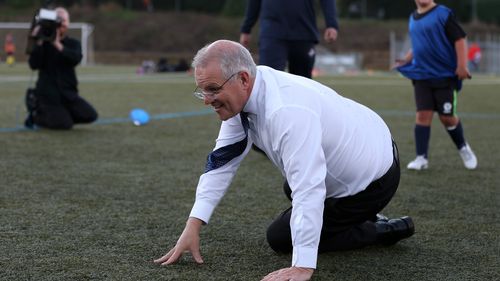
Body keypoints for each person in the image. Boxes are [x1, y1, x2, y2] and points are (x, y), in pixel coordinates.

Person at [154, 40, 415, 281]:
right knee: (290, 188)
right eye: (202, 91)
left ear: (243, 78)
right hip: (369, 143)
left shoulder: (287, 112)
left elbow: (309, 187)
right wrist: (193, 225)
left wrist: (303, 264)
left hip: (375, 179)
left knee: (280, 237)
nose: (207, 100)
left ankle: (384, 229)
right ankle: (357, 217)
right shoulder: (251, 86)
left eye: (212, 89)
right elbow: (222, 161)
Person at [394, 0, 477, 170]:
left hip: (444, 77)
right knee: (422, 116)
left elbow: (460, 39)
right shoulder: (412, 17)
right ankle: (421, 158)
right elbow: (418, 46)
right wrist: (405, 60)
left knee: (447, 118)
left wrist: (462, 65)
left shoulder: (443, 13)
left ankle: (463, 147)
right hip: (422, 76)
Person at [26, 7, 97, 130]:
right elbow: (33, 65)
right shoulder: (43, 43)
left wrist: (57, 44)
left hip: (68, 94)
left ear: (68, 23)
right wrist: (38, 41)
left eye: (64, 20)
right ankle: (36, 116)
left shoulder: (73, 43)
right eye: (58, 20)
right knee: (64, 125)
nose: (61, 24)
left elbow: (75, 59)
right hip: (47, 96)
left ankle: (61, 115)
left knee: (90, 115)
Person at [240, 0, 339, 79]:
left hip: (303, 32)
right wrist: (246, 28)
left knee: (302, 84)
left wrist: (331, 24)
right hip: (272, 33)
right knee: (269, 80)